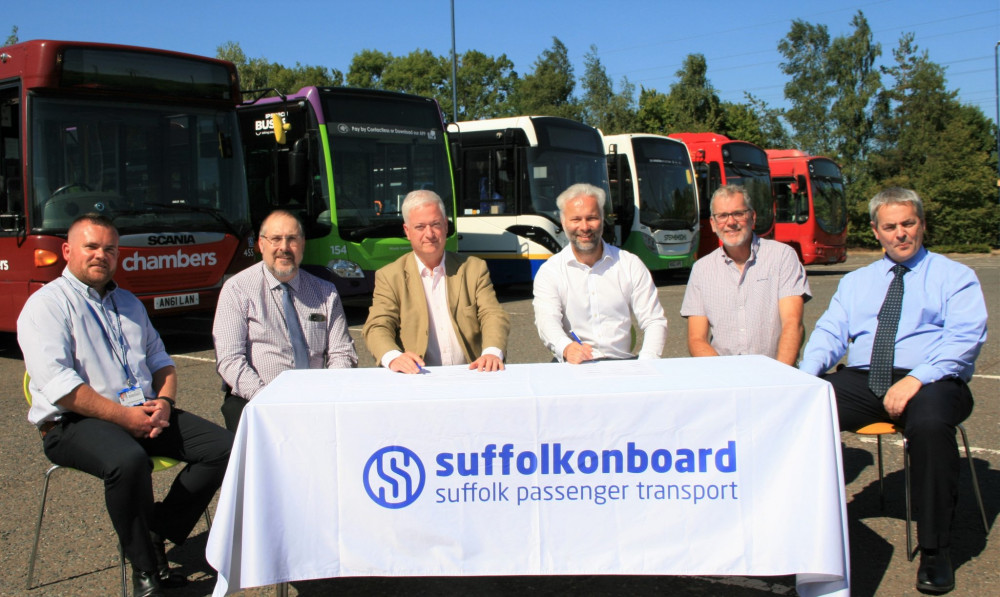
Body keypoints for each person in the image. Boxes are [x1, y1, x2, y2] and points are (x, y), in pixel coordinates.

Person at [17, 214, 233, 597]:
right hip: (73, 423)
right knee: (128, 461)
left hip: (142, 412)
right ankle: (146, 572)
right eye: (92, 247)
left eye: (110, 249)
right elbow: (60, 386)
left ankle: (154, 532)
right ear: (68, 251)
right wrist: (124, 417)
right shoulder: (45, 306)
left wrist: (164, 403)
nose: (102, 255)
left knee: (226, 447)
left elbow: (161, 363)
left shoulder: (129, 303)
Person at [798, 188, 987, 594]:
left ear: (921, 223)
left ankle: (936, 549)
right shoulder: (856, 281)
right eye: (890, 226)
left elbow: (964, 340)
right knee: (804, 412)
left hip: (934, 378)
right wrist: (806, 376)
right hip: (866, 377)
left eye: (908, 223)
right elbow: (831, 332)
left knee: (932, 425)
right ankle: (805, 534)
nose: (900, 233)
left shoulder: (956, 277)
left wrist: (917, 378)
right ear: (875, 231)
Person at [213, 210, 357, 430]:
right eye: (276, 239)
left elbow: (342, 353)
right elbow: (230, 360)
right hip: (256, 399)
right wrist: (267, 399)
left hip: (316, 400)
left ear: (303, 244)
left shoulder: (326, 292)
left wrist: (330, 394)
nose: (284, 248)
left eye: (292, 239)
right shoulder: (237, 289)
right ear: (261, 244)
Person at [363, 189, 510, 373]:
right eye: (420, 227)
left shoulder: (474, 269)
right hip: (418, 377)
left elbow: (493, 315)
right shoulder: (390, 276)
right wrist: (393, 357)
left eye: (435, 224)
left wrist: (491, 353)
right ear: (407, 231)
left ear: (446, 227)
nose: (429, 234)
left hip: (471, 373)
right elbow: (377, 325)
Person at [533, 183, 667, 363]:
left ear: (603, 219)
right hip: (573, 364)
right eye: (576, 219)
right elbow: (547, 321)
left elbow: (654, 321)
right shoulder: (550, 271)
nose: (584, 227)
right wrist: (565, 347)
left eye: (592, 218)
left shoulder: (629, 264)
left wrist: (647, 361)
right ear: (564, 223)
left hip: (622, 364)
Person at [680, 184, 811, 365]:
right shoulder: (701, 270)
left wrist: (781, 377)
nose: (731, 222)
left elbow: (793, 324)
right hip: (724, 377)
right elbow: (696, 339)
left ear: (752, 217)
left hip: (775, 372)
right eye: (723, 216)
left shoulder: (782, 256)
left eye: (738, 213)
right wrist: (728, 380)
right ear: (712, 223)